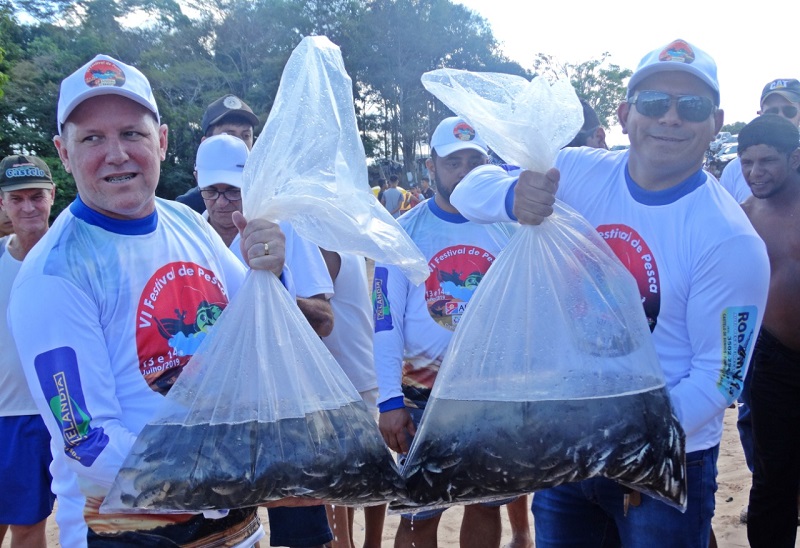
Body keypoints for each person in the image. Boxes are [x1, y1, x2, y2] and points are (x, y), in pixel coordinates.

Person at [450, 38, 770, 547]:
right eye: (652, 103)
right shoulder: (578, 171)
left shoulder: (730, 241)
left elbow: (721, 377)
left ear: (715, 121)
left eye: (691, 107)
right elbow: (469, 188)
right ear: (625, 114)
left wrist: (615, 440)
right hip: (569, 450)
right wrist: (513, 196)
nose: (671, 118)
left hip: (667, 457)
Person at [9, 53, 313, 546]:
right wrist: (221, 476)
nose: (116, 153)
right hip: (127, 532)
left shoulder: (188, 224)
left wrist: (272, 270)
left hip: (235, 528)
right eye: (92, 138)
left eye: (132, 133)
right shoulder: (54, 274)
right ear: (63, 153)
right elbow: (89, 443)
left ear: (162, 141)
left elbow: (259, 327)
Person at [373, 116, 529, 548]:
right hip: (422, 398)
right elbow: (385, 322)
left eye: (473, 161)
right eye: (453, 161)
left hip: (490, 395)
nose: (463, 172)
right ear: (431, 167)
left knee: (484, 504)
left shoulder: (508, 227)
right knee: (419, 514)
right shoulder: (402, 233)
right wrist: (389, 401)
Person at [194, 134, 335, 548]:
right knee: (225, 535)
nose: (222, 201)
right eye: (212, 191)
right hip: (217, 414)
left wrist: (276, 285)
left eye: (233, 190)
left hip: (283, 406)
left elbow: (325, 321)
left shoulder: (281, 229)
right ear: (198, 183)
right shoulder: (188, 236)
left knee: (302, 535)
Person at [735, 114, 800, 548]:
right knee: (773, 475)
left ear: (795, 158)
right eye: (747, 162)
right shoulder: (740, 217)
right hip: (772, 360)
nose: (756, 172)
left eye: (768, 161)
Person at [0, 155, 57, 548]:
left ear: (52, 196)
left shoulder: (73, 254)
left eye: (36, 196)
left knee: (29, 526)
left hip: (60, 415)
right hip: (7, 413)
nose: (28, 207)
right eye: (16, 199)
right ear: (2, 203)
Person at [319, 248, 385, 548]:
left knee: (339, 473)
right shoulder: (344, 237)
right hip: (358, 367)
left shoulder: (322, 244)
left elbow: (318, 311)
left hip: (344, 374)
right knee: (370, 468)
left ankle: (345, 543)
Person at [175, 93, 260, 213]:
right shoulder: (187, 209)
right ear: (205, 143)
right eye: (230, 135)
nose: (239, 143)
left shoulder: (268, 200)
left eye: (246, 135)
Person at [719, 78, 800, 204]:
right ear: (761, 114)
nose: (780, 117)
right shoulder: (734, 170)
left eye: (789, 111)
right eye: (771, 112)